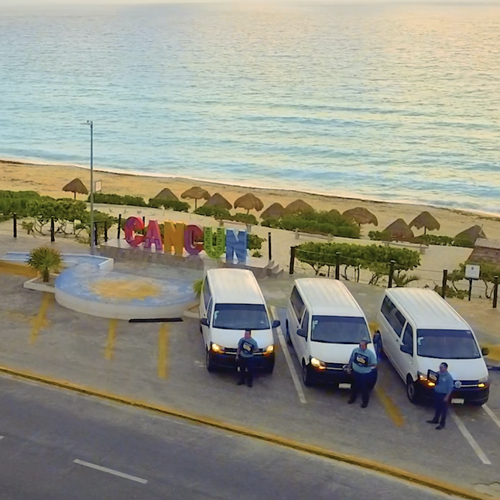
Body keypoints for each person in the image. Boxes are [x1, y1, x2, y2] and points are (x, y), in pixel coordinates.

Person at [347, 340, 377, 408]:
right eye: (360, 345)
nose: (361, 347)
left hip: (365, 374)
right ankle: (352, 398)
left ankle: (365, 402)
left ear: (366, 346)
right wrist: (348, 368)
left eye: (362, 345)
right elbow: (351, 359)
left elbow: (374, 364)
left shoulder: (370, 354)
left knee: (364, 389)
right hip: (355, 372)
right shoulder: (355, 351)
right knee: (353, 387)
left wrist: (366, 364)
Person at [427, 362, 454, 430]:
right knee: (437, 407)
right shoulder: (438, 374)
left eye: (442, 367)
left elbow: (450, 388)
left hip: (443, 395)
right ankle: (435, 419)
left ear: (445, 368)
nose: (440, 368)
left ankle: (442, 423)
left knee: (444, 410)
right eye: (440, 367)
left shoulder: (449, 377)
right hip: (437, 393)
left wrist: (447, 397)